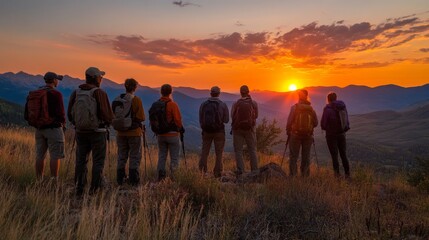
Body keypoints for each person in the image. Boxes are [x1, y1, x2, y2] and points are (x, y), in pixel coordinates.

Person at [67, 67, 114, 196]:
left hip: (81, 132)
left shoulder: (76, 92)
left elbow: (70, 114)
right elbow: (107, 115)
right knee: (98, 161)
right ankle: (95, 190)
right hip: (98, 132)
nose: (101, 79)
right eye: (100, 77)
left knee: (81, 161)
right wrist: (108, 123)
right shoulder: (99, 93)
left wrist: (77, 123)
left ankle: (79, 190)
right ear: (95, 78)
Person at [25, 72, 65, 180]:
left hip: (39, 129)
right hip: (54, 129)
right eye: (57, 79)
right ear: (54, 81)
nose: (58, 81)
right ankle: (54, 181)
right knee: (55, 156)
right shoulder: (56, 94)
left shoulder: (36, 93)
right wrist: (63, 124)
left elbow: (26, 114)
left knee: (40, 155)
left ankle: (39, 180)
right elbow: (61, 114)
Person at [112, 78, 145, 186]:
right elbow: (141, 117)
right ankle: (134, 181)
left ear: (125, 86)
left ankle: (120, 180)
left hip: (120, 133)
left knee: (122, 155)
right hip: (134, 133)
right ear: (135, 87)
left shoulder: (117, 100)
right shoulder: (136, 100)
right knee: (134, 156)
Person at [149, 84, 183, 181]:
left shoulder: (155, 104)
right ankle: (174, 178)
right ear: (170, 92)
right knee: (174, 157)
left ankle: (160, 177)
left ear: (161, 92)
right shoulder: (173, 104)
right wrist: (180, 129)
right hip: (172, 135)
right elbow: (178, 120)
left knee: (162, 156)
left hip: (160, 135)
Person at [198, 86, 229, 178]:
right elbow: (226, 120)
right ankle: (217, 173)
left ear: (210, 93)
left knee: (205, 151)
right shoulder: (223, 105)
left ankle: (203, 171)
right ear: (219, 93)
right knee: (219, 152)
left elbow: (200, 118)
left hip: (206, 131)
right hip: (219, 131)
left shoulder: (203, 104)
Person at [286, 89, 318, 177]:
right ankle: (305, 176)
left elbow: (289, 121)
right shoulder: (311, 109)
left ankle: (293, 176)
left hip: (295, 135)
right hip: (308, 136)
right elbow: (316, 123)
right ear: (307, 96)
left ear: (298, 97)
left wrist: (288, 131)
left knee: (293, 156)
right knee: (306, 157)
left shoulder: (295, 107)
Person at [321, 92, 350, 178]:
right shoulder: (343, 107)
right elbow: (346, 121)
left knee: (334, 156)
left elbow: (323, 124)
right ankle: (347, 175)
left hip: (331, 135)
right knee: (343, 155)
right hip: (342, 134)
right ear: (336, 98)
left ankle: (337, 176)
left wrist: (326, 128)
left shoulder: (327, 109)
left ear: (328, 99)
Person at [231, 85, 259, 175]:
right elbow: (256, 116)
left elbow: (232, 116)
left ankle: (241, 170)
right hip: (250, 129)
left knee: (238, 150)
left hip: (238, 129)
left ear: (240, 92)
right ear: (248, 92)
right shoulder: (254, 103)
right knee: (252, 149)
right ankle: (254, 170)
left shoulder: (236, 103)